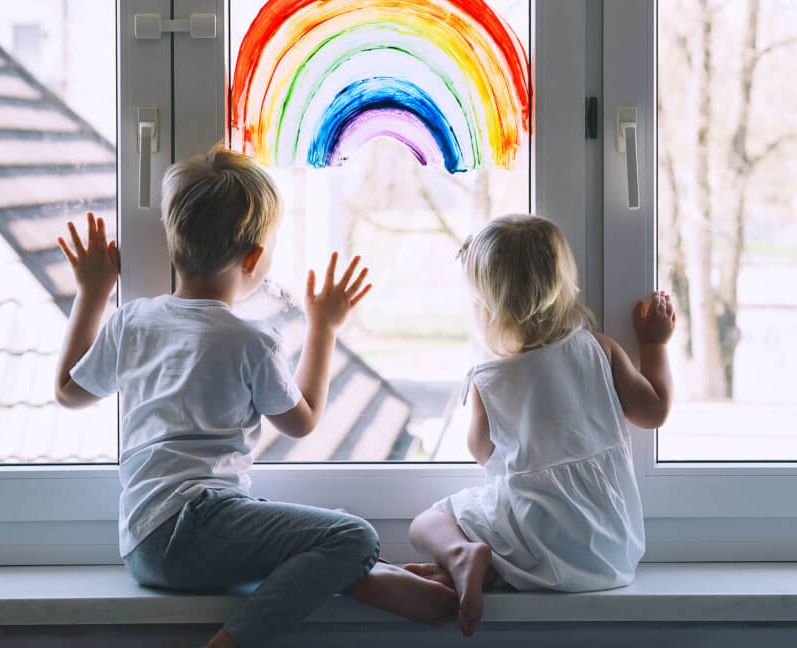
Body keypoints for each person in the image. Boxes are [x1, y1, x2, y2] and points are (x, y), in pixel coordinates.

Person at [54, 145, 458, 648]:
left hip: (141, 543)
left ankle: (367, 579)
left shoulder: (133, 319)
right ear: (253, 258)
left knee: (318, 540)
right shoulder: (250, 338)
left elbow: (68, 391)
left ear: (174, 242)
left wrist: (92, 292)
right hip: (196, 526)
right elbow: (302, 421)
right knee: (353, 535)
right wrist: (324, 327)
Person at [406, 214, 675, 637]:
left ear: (486, 306)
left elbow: (481, 452)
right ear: (564, 284)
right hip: (612, 554)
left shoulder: (488, 379)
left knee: (427, 522)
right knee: (521, 519)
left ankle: (462, 557)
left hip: (536, 541)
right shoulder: (598, 349)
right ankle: (488, 568)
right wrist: (654, 344)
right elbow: (654, 410)